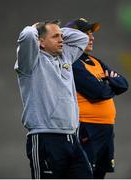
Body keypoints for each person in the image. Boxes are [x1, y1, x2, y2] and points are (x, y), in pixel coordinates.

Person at [14, 20, 93, 179]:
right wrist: (35, 28)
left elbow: (82, 38)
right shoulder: (30, 62)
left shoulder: (66, 57)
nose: (61, 40)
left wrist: (55, 29)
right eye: (55, 36)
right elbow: (27, 35)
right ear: (40, 42)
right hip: (45, 139)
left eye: (62, 36)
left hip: (72, 139)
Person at [66, 18, 129, 179]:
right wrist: (108, 81)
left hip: (106, 129)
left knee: (99, 174)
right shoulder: (72, 62)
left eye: (92, 34)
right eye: (86, 34)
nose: (92, 38)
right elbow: (98, 93)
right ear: (74, 38)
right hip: (87, 128)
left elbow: (124, 84)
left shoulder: (95, 61)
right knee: (85, 174)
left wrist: (107, 84)